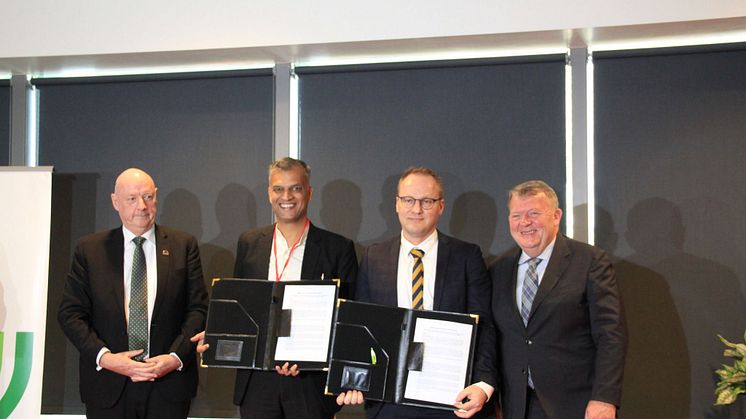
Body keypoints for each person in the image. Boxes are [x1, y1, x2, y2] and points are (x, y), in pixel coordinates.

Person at [194, 157, 358, 419]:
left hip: (309, 384)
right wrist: (216, 335)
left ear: (309, 192)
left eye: (295, 188)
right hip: (257, 382)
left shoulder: (337, 248)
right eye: (278, 189)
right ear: (269, 194)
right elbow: (240, 308)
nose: (287, 196)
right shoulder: (250, 243)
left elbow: (347, 322)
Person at [338, 166, 498, 419]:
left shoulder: (466, 256)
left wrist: (483, 384)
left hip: (452, 401)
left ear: (441, 206)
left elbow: (485, 324)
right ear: (397, 204)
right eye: (409, 200)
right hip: (389, 401)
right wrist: (351, 379)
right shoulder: (373, 256)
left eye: (427, 201)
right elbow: (360, 326)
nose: (417, 209)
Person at [58, 168, 208, 418]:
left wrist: (174, 357)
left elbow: (198, 309)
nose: (142, 206)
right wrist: (106, 358)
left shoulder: (183, 246)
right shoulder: (90, 249)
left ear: (156, 197)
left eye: (148, 197)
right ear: (115, 202)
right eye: (132, 199)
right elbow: (70, 314)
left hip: (167, 386)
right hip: (109, 385)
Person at [489, 180, 627, 419]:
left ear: (556, 215)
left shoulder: (590, 261)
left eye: (534, 213)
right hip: (516, 406)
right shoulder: (496, 269)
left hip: (576, 406)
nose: (525, 223)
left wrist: (605, 397)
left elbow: (611, 335)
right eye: (517, 215)